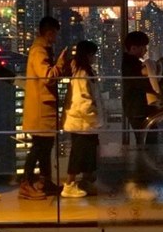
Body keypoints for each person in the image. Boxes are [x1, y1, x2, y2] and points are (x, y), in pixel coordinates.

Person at [19, 16, 68, 200]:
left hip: (43, 109)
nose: (55, 37)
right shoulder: (39, 51)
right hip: (41, 110)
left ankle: (44, 182)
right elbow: (47, 76)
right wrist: (61, 62)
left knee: (44, 147)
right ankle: (26, 183)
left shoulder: (42, 49)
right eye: (54, 33)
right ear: (48, 32)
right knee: (39, 147)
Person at [61, 39, 104, 198]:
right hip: (83, 123)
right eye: (93, 54)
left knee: (84, 154)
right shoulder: (83, 73)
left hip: (82, 122)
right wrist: (95, 119)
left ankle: (83, 182)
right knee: (79, 154)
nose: (94, 58)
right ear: (88, 55)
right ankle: (70, 184)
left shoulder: (79, 71)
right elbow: (83, 101)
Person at [121, 30, 159, 200]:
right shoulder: (132, 64)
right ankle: (140, 183)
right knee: (146, 145)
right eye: (143, 47)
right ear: (134, 47)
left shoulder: (132, 63)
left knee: (145, 144)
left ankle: (141, 181)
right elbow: (142, 84)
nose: (145, 50)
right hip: (138, 109)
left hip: (137, 109)